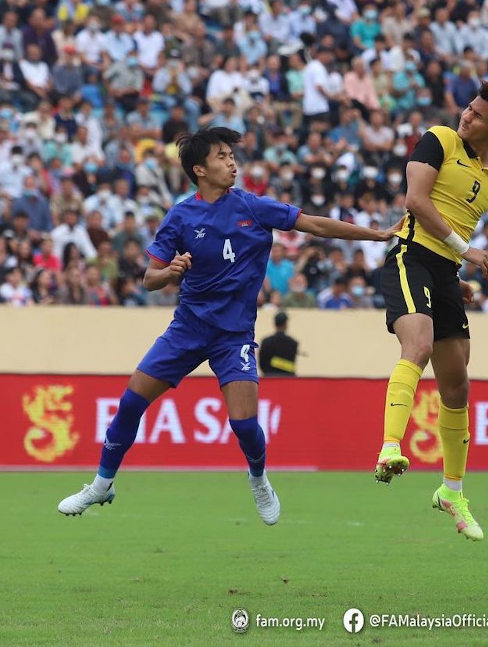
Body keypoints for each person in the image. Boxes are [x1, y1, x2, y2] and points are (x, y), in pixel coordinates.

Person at [58, 128, 399, 523]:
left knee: (244, 424)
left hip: (233, 334)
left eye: (232, 155)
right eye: (222, 156)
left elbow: (315, 225)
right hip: (186, 328)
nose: (232, 161)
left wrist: (375, 235)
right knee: (131, 402)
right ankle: (101, 485)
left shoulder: (253, 207)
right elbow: (150, 279)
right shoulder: (181, 216)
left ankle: (258, 479)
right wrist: (170, 270)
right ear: (200, 169)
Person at [375, 80, 488, 542]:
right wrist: (470, 252)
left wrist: (454, 275)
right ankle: (389, 447)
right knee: (416, 346)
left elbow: (459, 213)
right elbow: (416, 203)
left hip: (443, 274)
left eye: (478, 115)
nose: (467, 116)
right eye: (468, 108)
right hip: (410, 256)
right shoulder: (439, 139)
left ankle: (452, 491)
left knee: (457, 384)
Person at [258, 311, 300, 376]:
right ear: (286, 325)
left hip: (269, 378)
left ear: (275, 324)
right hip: (287, 379)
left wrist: (273, 363)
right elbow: (291, 366)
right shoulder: (292, 343)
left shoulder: (266, 342)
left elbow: (262, 364)